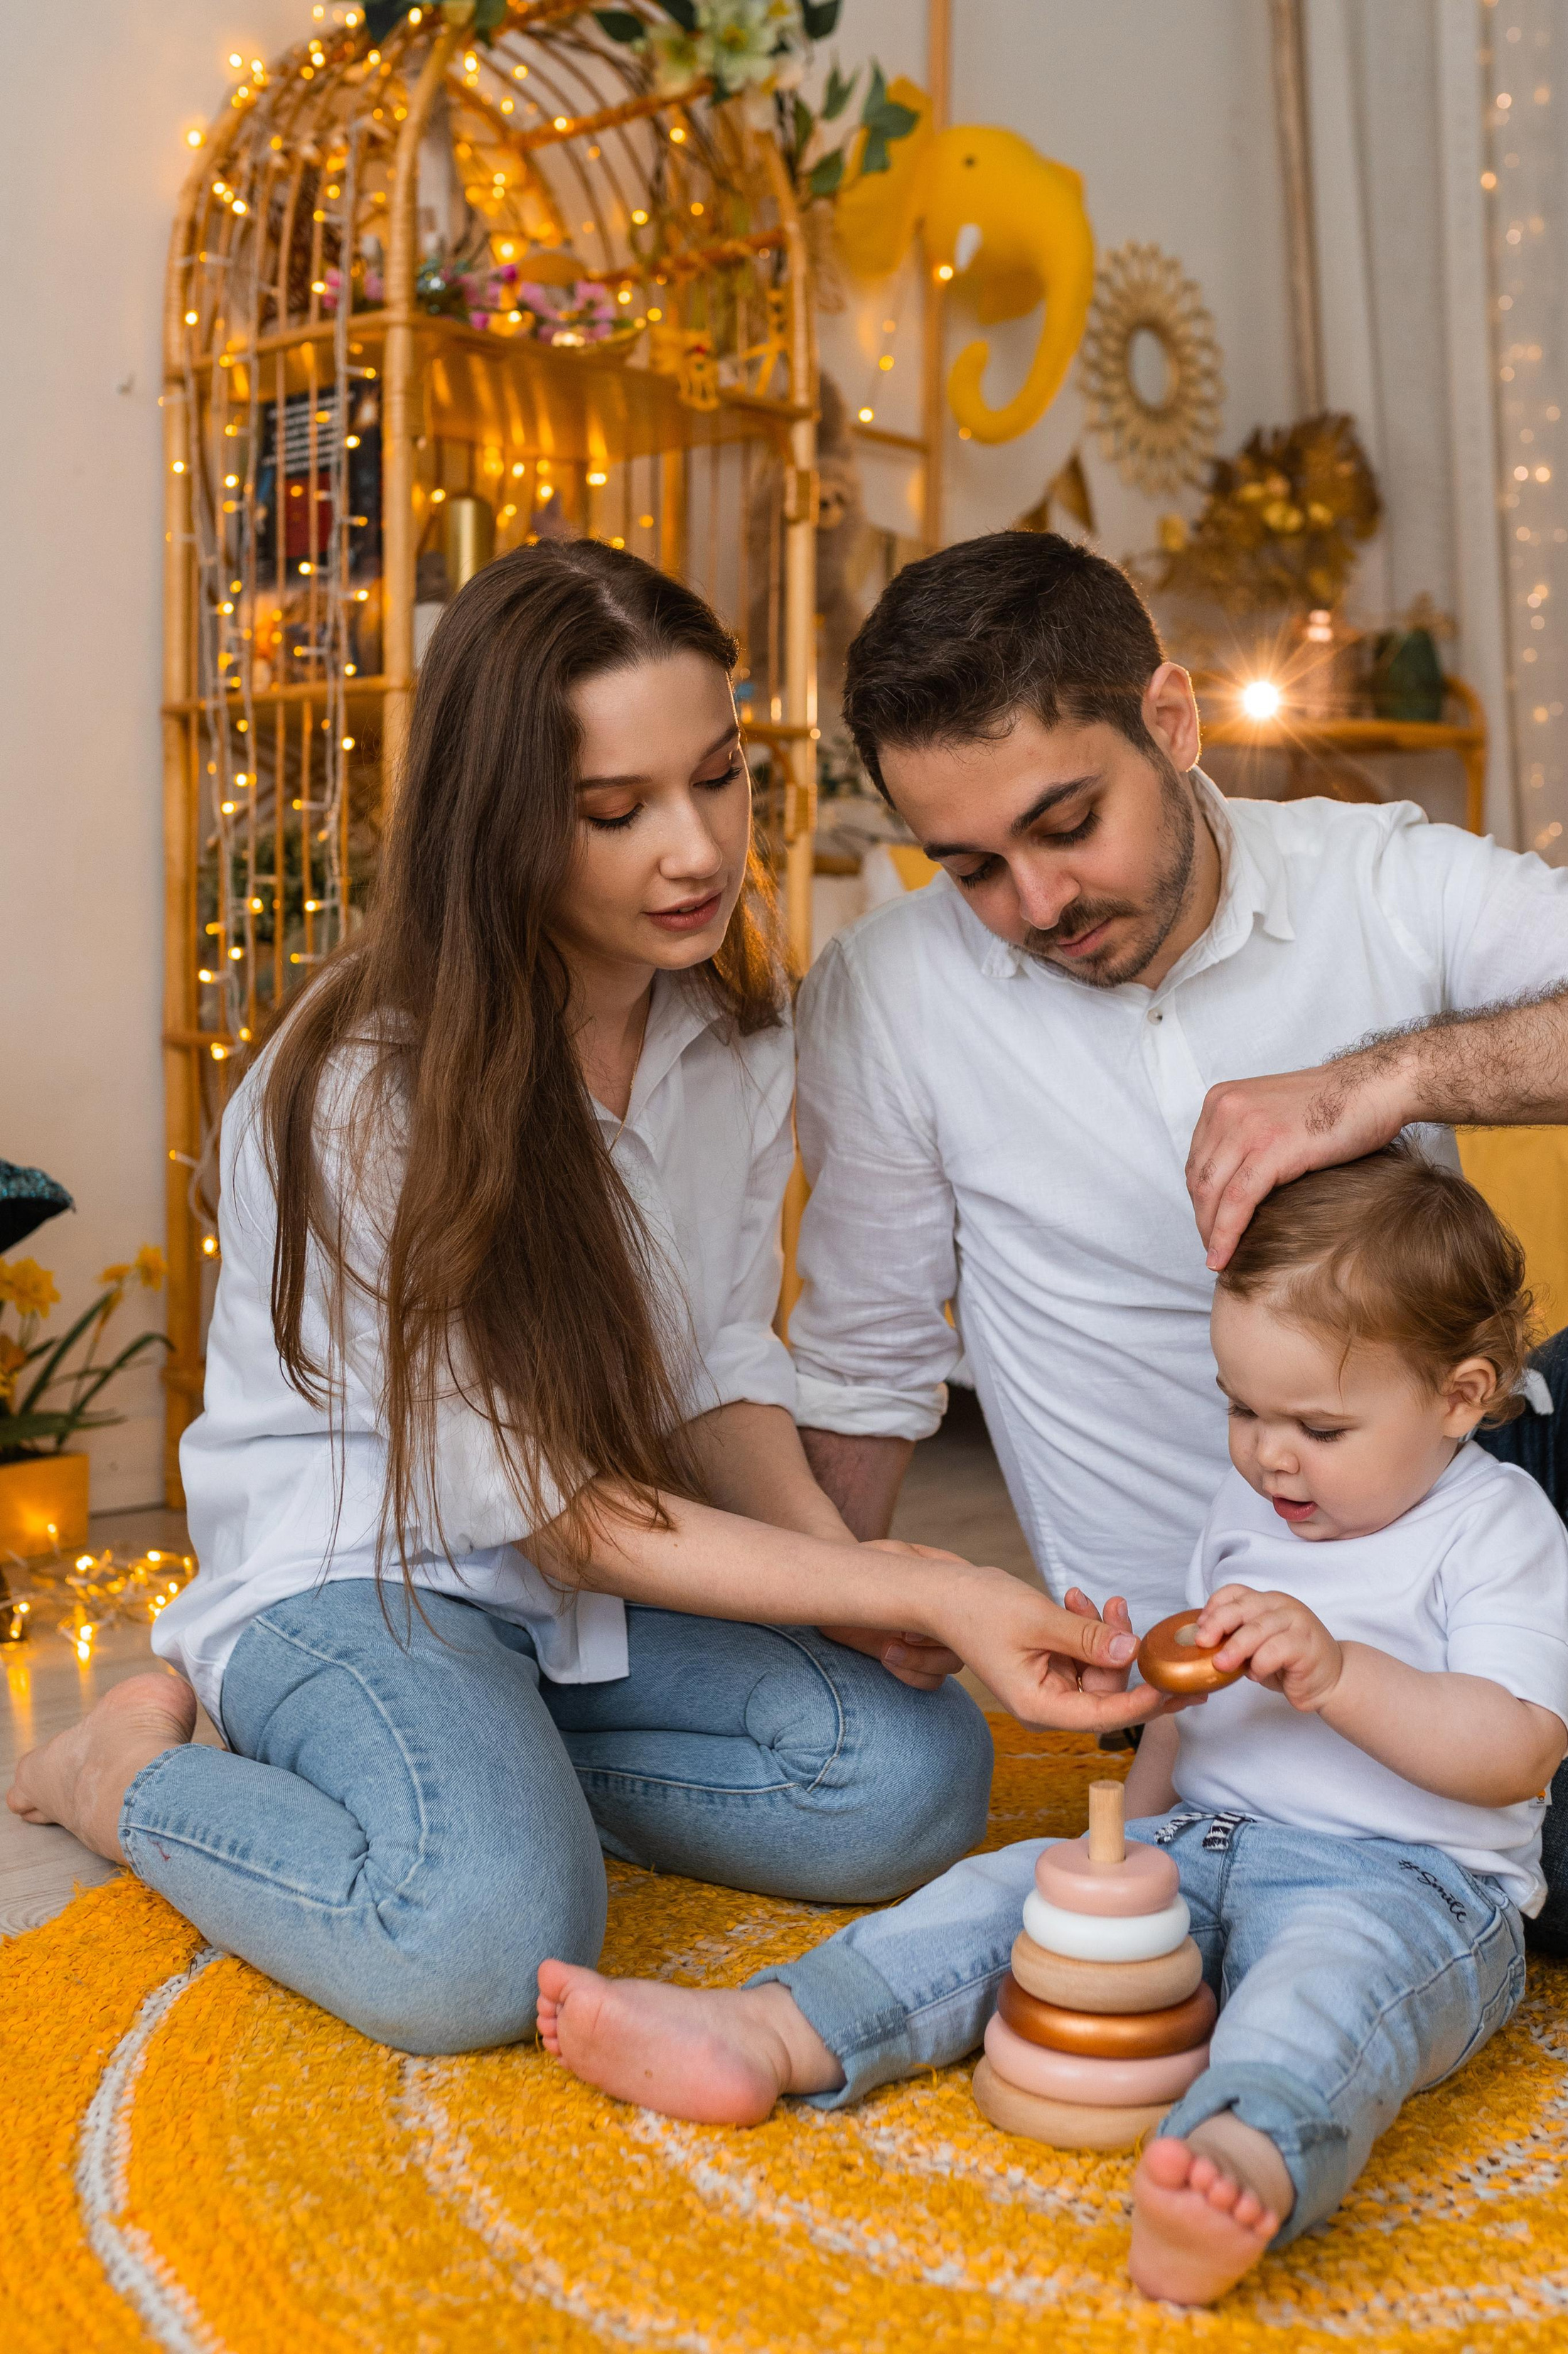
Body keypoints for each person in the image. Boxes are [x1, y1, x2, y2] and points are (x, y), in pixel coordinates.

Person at [5, 542, 1153, 2055]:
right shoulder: (365, 1089)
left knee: (910, 1774)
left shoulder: (730, 1034)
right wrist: (920, 1583)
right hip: (363, 1579)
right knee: (478, 1949)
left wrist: (845, 1588)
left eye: (719, 778)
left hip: (561, 1606)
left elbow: (715, 1367)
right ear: (503, 825)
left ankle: (480, 1768)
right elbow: (552, 1509)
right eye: (615, 812)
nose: (694, 852)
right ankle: (119, 1775)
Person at [788, 530, 1568, 2006]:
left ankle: (1464, 1773)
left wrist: (1382, 1079)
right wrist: (844, 1646)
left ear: (1169, 720)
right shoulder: (888, 996)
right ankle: (1411, 1813)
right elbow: (867, 1363)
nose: (1033, 903)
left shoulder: (1372, 879)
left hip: (1492, 1484)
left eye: (1064, 822)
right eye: (969, 868)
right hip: (1236, 1682)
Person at [533, 1151, 1568, 2306]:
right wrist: (1124, 1838)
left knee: (1324, 1997)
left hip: (1408, 1887)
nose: (1268, 1453)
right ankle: (775, 2031)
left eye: (1319, 1428)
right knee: (1003, 1901)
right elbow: (1195, 1720)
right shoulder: (1255, 1506)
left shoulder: (1498, 1533)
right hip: (1204, 1839)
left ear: (1458, 1395)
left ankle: (1241, 2154)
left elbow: (1515, 1750)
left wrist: (1339, 1676)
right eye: (1242, 1408)